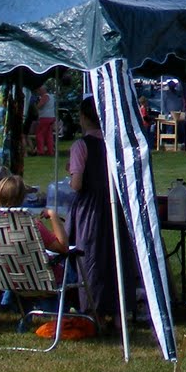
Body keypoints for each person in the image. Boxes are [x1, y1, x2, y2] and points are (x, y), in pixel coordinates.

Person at [68, 99, 132, 329]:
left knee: (90, 259)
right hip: (115, 207)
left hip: (91, 208)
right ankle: (119, 312)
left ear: (84, 117)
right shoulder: (115, 144)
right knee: (116, 257)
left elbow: (76, 184)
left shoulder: (81, 146)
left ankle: (94, 313)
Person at [32, 85, 56, 156]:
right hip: (51, 117)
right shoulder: (52, 96)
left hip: (45, 118)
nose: (38, 92)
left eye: (39, 90)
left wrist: (35, 106)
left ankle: (40, 150)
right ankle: (50, 150)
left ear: (43, 90)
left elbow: (39, 106)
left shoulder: (45, 96)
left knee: (39, 134)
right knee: (49, 135)